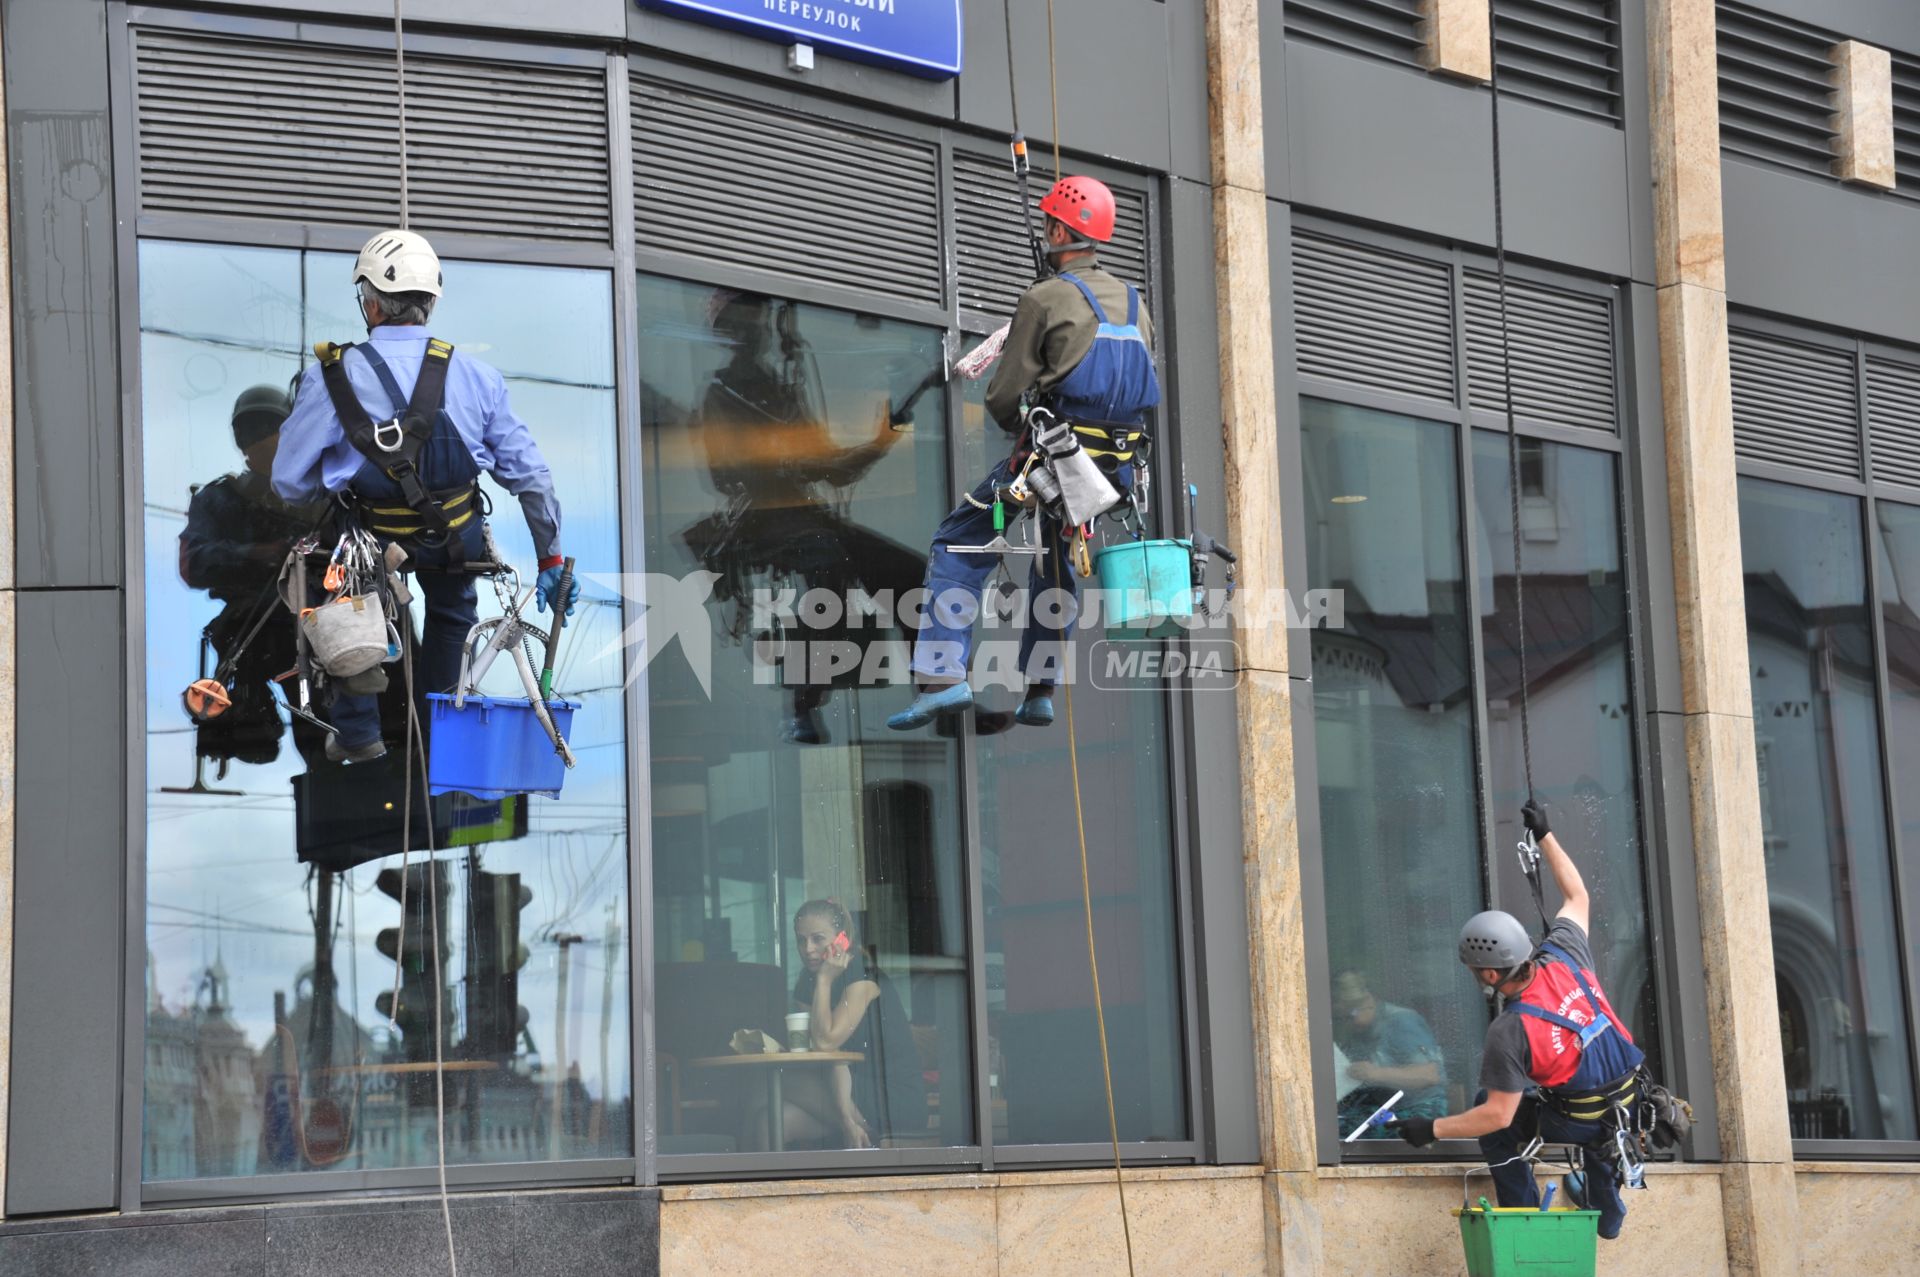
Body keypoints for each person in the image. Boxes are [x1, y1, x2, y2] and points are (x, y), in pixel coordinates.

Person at [272, 229, 579, 762]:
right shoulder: (478, 378)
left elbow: (289, 482)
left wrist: (342, 463)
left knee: (349, 595)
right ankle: (446, 725)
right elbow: (531, 477)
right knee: (453, 609)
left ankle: (358, 730)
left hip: (367, 542)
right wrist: (549, 556)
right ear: (430, 303)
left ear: (369, 302)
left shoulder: (330, 377)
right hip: (451, 541)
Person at [889, 175, 1160, 731]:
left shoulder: (1043, 297)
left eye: (1048, 225)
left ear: (1060, 229)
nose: (1045, 230)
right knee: (1055, 560)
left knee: (960, 542)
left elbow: (1002, 396)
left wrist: (1024, 434)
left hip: (1051, 464)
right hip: (1112, 474)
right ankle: (1039, 689)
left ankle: (942, 679)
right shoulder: (1136, 304)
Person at [680, 290, 926, 744]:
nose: (757, 333)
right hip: (762, 519)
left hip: (805, 516)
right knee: (826, 561)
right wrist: (780, 460)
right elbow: (724, 475)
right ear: (730, 332)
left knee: (907, 570)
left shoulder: (781, 390)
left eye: (757, 322)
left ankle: (932, 687)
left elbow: (832, 469)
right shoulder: (722, 395)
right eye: (744, 323)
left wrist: (884, 436)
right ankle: (804, 703)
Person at [1391, 801, 1645, 1241]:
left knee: (1496, 1122)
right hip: (1631, 1104)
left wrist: (1431, 1129)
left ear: (1489, 974)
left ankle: (1524, 1220)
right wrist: (1545, 834)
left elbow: (1496, 1115)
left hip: (1584, 1119)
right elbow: (1577, 896)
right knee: (1596, 1117)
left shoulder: (1509, 1031)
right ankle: (1607, 1213)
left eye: (1473, 972)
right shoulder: (1564, 955)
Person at [179, 385, 329, 765]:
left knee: (327, 735)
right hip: (251, 634)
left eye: (269, 429)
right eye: (252, 433)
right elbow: (193, 563)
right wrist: (257, 554)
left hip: (320, 631)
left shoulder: (322, 493)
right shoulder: (220, 499)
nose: (262, 441)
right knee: (253, 733)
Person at [767, 898, 927, 1150]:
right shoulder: (805, 985)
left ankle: (856, 1127)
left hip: (892, 1098)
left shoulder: (861, 974)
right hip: (843, 1090)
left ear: (842, 939)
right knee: (770, 1120)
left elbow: (825, 1041)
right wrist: (844, 1115)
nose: (808, 948)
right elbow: (828, 1058)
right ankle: (851, 1127)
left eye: (817, 939)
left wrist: (824, 981)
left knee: (775, 1082)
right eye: (801, 939)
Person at [1331, 970, 1448, 1140]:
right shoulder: (1360, 1032)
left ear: (1368, 1002)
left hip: (1418, 1111)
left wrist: (1374, 1074)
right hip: (1382, 1107)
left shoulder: (1401, 1022)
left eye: (1351, 1016)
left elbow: (1430, 1075)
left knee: (1345, 1134)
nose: (1349, 1025)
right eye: (1341, 1020)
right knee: (1334, 1127)